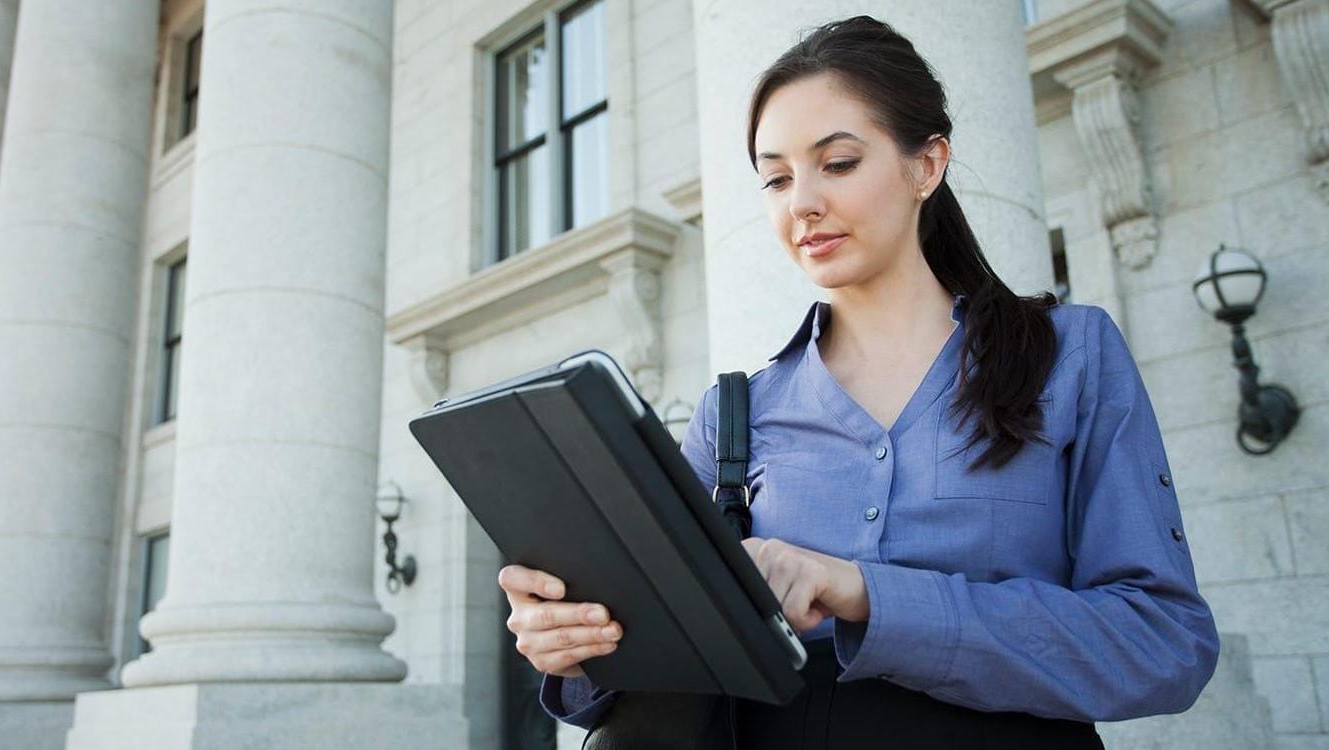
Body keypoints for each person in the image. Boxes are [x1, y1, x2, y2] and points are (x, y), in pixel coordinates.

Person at [498, 15, 1218, 749]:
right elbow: (672, 649)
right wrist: (576, 638)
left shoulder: (1070, 355)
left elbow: (1164, 643)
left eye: (837, 163)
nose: (800, 202)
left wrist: (866, 594)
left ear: (926, 166)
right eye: (776, 177)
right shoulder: (734, 415)